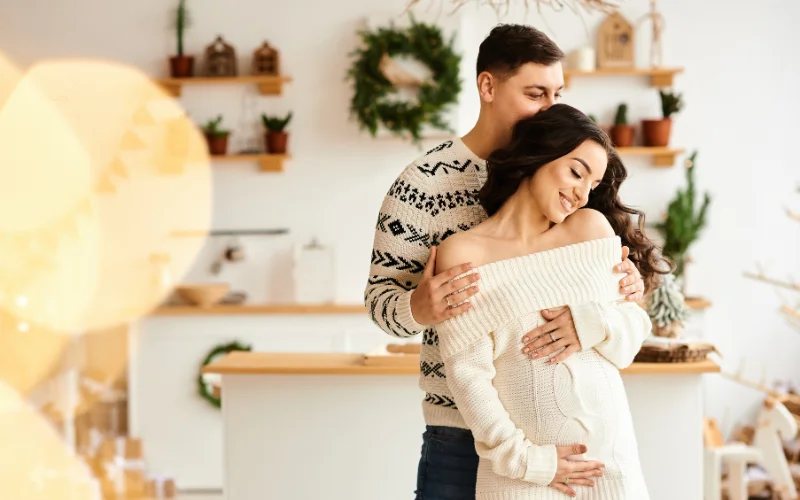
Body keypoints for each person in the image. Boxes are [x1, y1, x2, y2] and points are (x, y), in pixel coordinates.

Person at [363, 24, 646, 499]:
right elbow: (379, 303)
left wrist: (623, 288)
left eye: (557, 93)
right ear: (488, 86)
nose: (549, 107)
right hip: (458, 431)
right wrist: (420, 307)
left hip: (575, 447)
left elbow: (614, 308)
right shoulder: (424, 182)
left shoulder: (567, 175)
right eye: (536, 93)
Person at [434, 103, 668, 498]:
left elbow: (629, 338)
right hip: (524, 480)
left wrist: (591, 323)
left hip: (611, 472)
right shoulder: (462, 253)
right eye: (576, 172)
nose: (581, 194)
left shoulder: (589, 228)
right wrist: (530, 462)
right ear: (538, 156)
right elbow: (467, 376)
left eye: (592, 184)